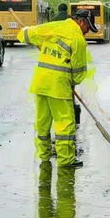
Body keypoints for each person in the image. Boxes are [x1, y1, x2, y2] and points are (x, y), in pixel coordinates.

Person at [17, 9, 98, 167]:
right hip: (59, 87)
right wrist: (72, 82)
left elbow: (24, 35)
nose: (87, 32)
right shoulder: (78, 39)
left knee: (42, 122)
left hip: (40, 83)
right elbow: (79, 73)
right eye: (88, 27)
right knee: (65, 123)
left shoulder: (54, 26)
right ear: (81, 22)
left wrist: (33, 36)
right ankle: (66, 160)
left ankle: (44, 155)